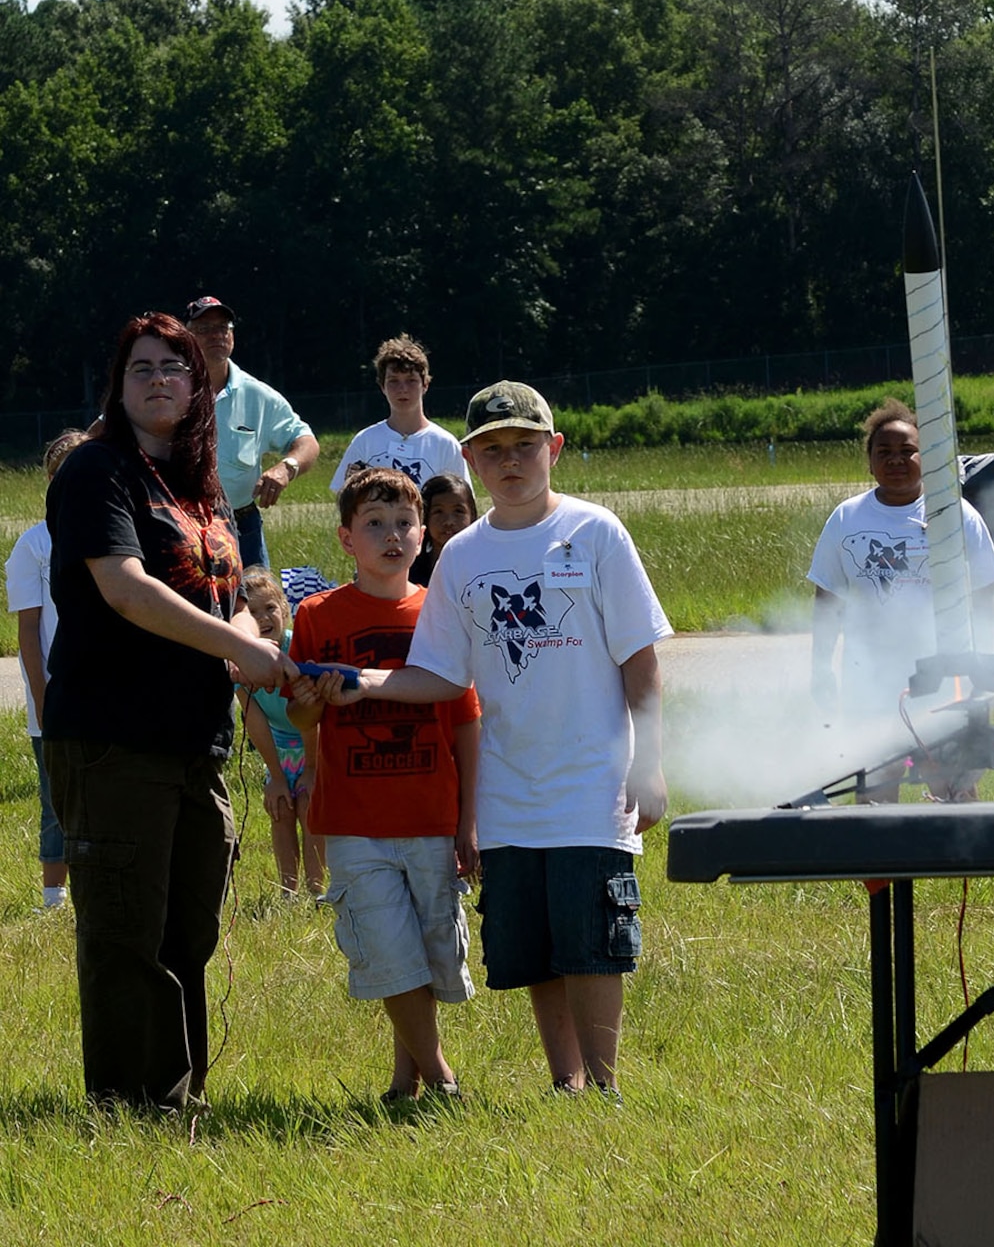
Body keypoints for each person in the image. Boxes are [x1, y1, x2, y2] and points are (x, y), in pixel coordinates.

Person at [317, 381, 671, 1100]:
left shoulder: (596, 532)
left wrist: (651, 764)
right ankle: (564, 1081)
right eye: (493, 450)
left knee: (592, 941)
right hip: (508, 793)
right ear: (471, 460)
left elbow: (640, 659)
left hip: (589, 783)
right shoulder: (461, 558)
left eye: (524, 446)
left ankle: (603, 1088)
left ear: (555, 449)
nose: (511, 462)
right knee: (536, 946)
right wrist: (368, 682)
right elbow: (441, 675)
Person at [43, 311, 294, 1112]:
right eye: (141, 368)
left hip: (197, 741)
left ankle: (180, 1094)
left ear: (199, 387)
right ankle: (128, 1104)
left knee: (189, 930)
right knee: (127, 933)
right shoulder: (96, 473)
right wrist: (240, 646)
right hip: (115, 739)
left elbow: (240, 594)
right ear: (118, 389)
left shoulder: (201, 487)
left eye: (175, 367)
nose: (159, 379)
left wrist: (260, 637)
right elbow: (124, 588)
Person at [289, 468, 479, 1104]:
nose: (391, 535)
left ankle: (407, 1080)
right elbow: (299, 714)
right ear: (347, 539)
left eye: (404, 524)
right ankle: (443, 1077)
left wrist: (468, 821)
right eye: (374, 524)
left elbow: (465, 722)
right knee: (387, 948)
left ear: (424, 535)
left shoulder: (441, 612)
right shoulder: (316, 614)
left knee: (425, 951)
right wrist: (314, 701)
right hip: (354, 819)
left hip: (430, 813)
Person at [809, 398, 994, 727]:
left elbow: (986, 591)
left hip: (945, 668)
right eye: (883, 452)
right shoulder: (846, 517)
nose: (896, 460)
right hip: (867, 672)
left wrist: (981, 661)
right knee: (878, 772)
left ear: (925, 458)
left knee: (949, 775)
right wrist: (821, 666)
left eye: (907, 450)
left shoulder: (955, 514)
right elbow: (828, 599)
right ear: (870, 463)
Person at [4, 428, 88, 909]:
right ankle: (54, 895)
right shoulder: (33, 546)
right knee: (57, 798)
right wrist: (42, 699)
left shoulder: (115, 534)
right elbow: (29, 634)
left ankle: (100, 882)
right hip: (55, 697)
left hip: (106, 695)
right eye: (62, 477)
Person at [185, 296, 320, 568]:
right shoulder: (164, 388)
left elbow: (306, 442)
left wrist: (286, 468)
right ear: (185, 336)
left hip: (242, 527)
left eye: (224, 327)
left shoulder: (257, 396)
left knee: (257, 607)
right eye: (204, 328)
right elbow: (103, 430)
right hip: (181, 527)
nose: (217, 335)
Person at [237, 569, 326, 900]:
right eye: (251, 612)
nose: (262, 618)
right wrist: (275, 776)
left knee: (308, 804)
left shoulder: (297, 648)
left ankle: (317, 891)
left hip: (312, 742)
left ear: (285, 610)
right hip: (279, 746)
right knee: (280, 809)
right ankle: (287, 893)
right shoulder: (242, 660)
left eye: (269, 608)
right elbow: (256, 722)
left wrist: (313, 770)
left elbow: (310, 716)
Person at [330, 335, 469, 495]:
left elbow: (462, 503)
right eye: (393, 381)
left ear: (425, 385)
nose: (402, 389)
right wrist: (350, 489)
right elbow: (344, 502)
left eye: (411, 380)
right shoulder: (365, 441)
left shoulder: (445, 444)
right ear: (382, 386)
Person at [410, 473, 478, 585]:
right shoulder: (409, 569)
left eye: (458, 511)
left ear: (472, 516)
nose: (449, 521)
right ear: (425, 517)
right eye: (438, 512)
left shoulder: (483, 567)